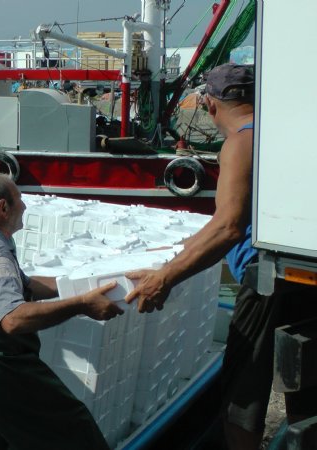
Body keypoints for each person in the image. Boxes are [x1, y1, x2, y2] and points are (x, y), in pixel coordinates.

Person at [125, 63, 317, 450]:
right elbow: (223, 224)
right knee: (303, 377)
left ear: (210, 105)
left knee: (241, 392)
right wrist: (174, 258)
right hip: (301, 270)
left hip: (266, 281)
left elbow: (229, 226)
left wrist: (165, 279)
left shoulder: (241, 143)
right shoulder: (285, 134)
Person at [0, 173, 124, 449]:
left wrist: (81, 285)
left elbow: (26, 285)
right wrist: (82, 305)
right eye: (19, 199)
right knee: (70, 426)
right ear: (3, 208)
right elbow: (12, 319)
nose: (25, 206)